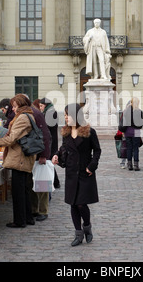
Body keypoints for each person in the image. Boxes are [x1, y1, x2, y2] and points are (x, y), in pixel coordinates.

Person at [52, 103, 101, 247]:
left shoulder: (89, 132)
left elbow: (97, 150)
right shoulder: (66, 133)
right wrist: (56, 156)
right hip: (71, 173)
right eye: (65, 115)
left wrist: (92, 166)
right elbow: (63, 149)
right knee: (73, 204)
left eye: (68, 115)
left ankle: (87, 226)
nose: (65, 117)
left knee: (81, 204)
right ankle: (78, 234)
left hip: (85, 173)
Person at [0, 94, 36, 228]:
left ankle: (20, 220)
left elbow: (12, 139)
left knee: (19, 190)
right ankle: (27, 217)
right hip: (21, 157)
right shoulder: (27, 116)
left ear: (20, 105)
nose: (12, 109)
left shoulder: (23, 117)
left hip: (19, 158)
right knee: (24, 189)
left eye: (14, 106)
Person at [28, 95, 52, 222]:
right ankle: (35, 209)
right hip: (33, 154)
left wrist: (44, 155)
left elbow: (45, 136)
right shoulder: (32, 113)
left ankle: (43, 210)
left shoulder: (36, 114)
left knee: (42, 184)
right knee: (33, 183)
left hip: (39, 154)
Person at [39, 98, 61, 188]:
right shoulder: (51, 111)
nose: (40, 108)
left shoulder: (49, 113)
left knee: (48, 162)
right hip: (52, 140)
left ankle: (55, 182)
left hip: (50, 141)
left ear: (45, 105)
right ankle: (55, 182)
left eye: (41, 106)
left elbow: (46, 128)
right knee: (49, 162)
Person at [121, 97, 143, 171]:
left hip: (128, 131)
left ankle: (129, 164)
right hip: (136, 131)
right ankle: (136, 165)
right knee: (136, 148)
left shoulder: (126, 111)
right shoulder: (139, 111)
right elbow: (140, 124)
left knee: (129, 148)